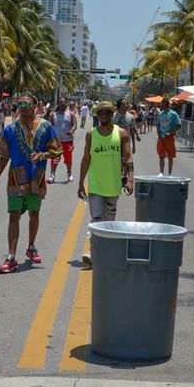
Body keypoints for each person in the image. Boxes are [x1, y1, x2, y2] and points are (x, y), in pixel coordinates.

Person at [0, 93, 62, 274]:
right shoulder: (10, 129)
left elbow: (56, 151)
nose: (23, 108)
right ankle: (11, 256)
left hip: (36, 178)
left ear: (35, 107)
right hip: (16, 178)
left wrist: (42, 155)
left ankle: (31, 246)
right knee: (14, 216)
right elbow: (4, 155)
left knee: (34, 214)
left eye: (27, 104)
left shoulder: (46, 127)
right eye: (20, 104)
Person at [77, 101, 134, 266]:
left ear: (112, 114)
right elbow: (86, 159)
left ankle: (106, 253)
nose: (104, 115)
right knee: (96, 219)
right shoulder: (91, 134)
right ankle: (93, 253)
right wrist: (80, 183)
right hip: (95, 185)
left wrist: (130, 180)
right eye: (100, 112)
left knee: (109, 222)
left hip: (114, 185)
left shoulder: (121, 134)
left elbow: (128, 157)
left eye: (107, 112)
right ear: (97, 114)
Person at [48, 97, 78, 183]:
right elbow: (49, 126)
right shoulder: (53, 115)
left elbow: (75, 124)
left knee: (68, 159)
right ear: (58, 103)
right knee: (55, 159)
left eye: (64, 102)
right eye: (61, 102)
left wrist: (71, 131)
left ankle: (69, 173)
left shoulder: (71, 114)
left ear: (67, 103)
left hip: (67, 141)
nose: (63, 104)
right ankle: (52, 175)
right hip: (56, 142)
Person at [156, 99, 181, 176]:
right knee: (161, 155)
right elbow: (158, 124)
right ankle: (161, 172)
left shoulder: (173, 114)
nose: (160, 106)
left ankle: (170, 173)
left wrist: (171, 132)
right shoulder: (160, 114)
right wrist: (158, 131)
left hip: (169, 137)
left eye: (161, 104)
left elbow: (179, 125)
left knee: (170, 156)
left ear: (165, 105)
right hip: (161, 137)